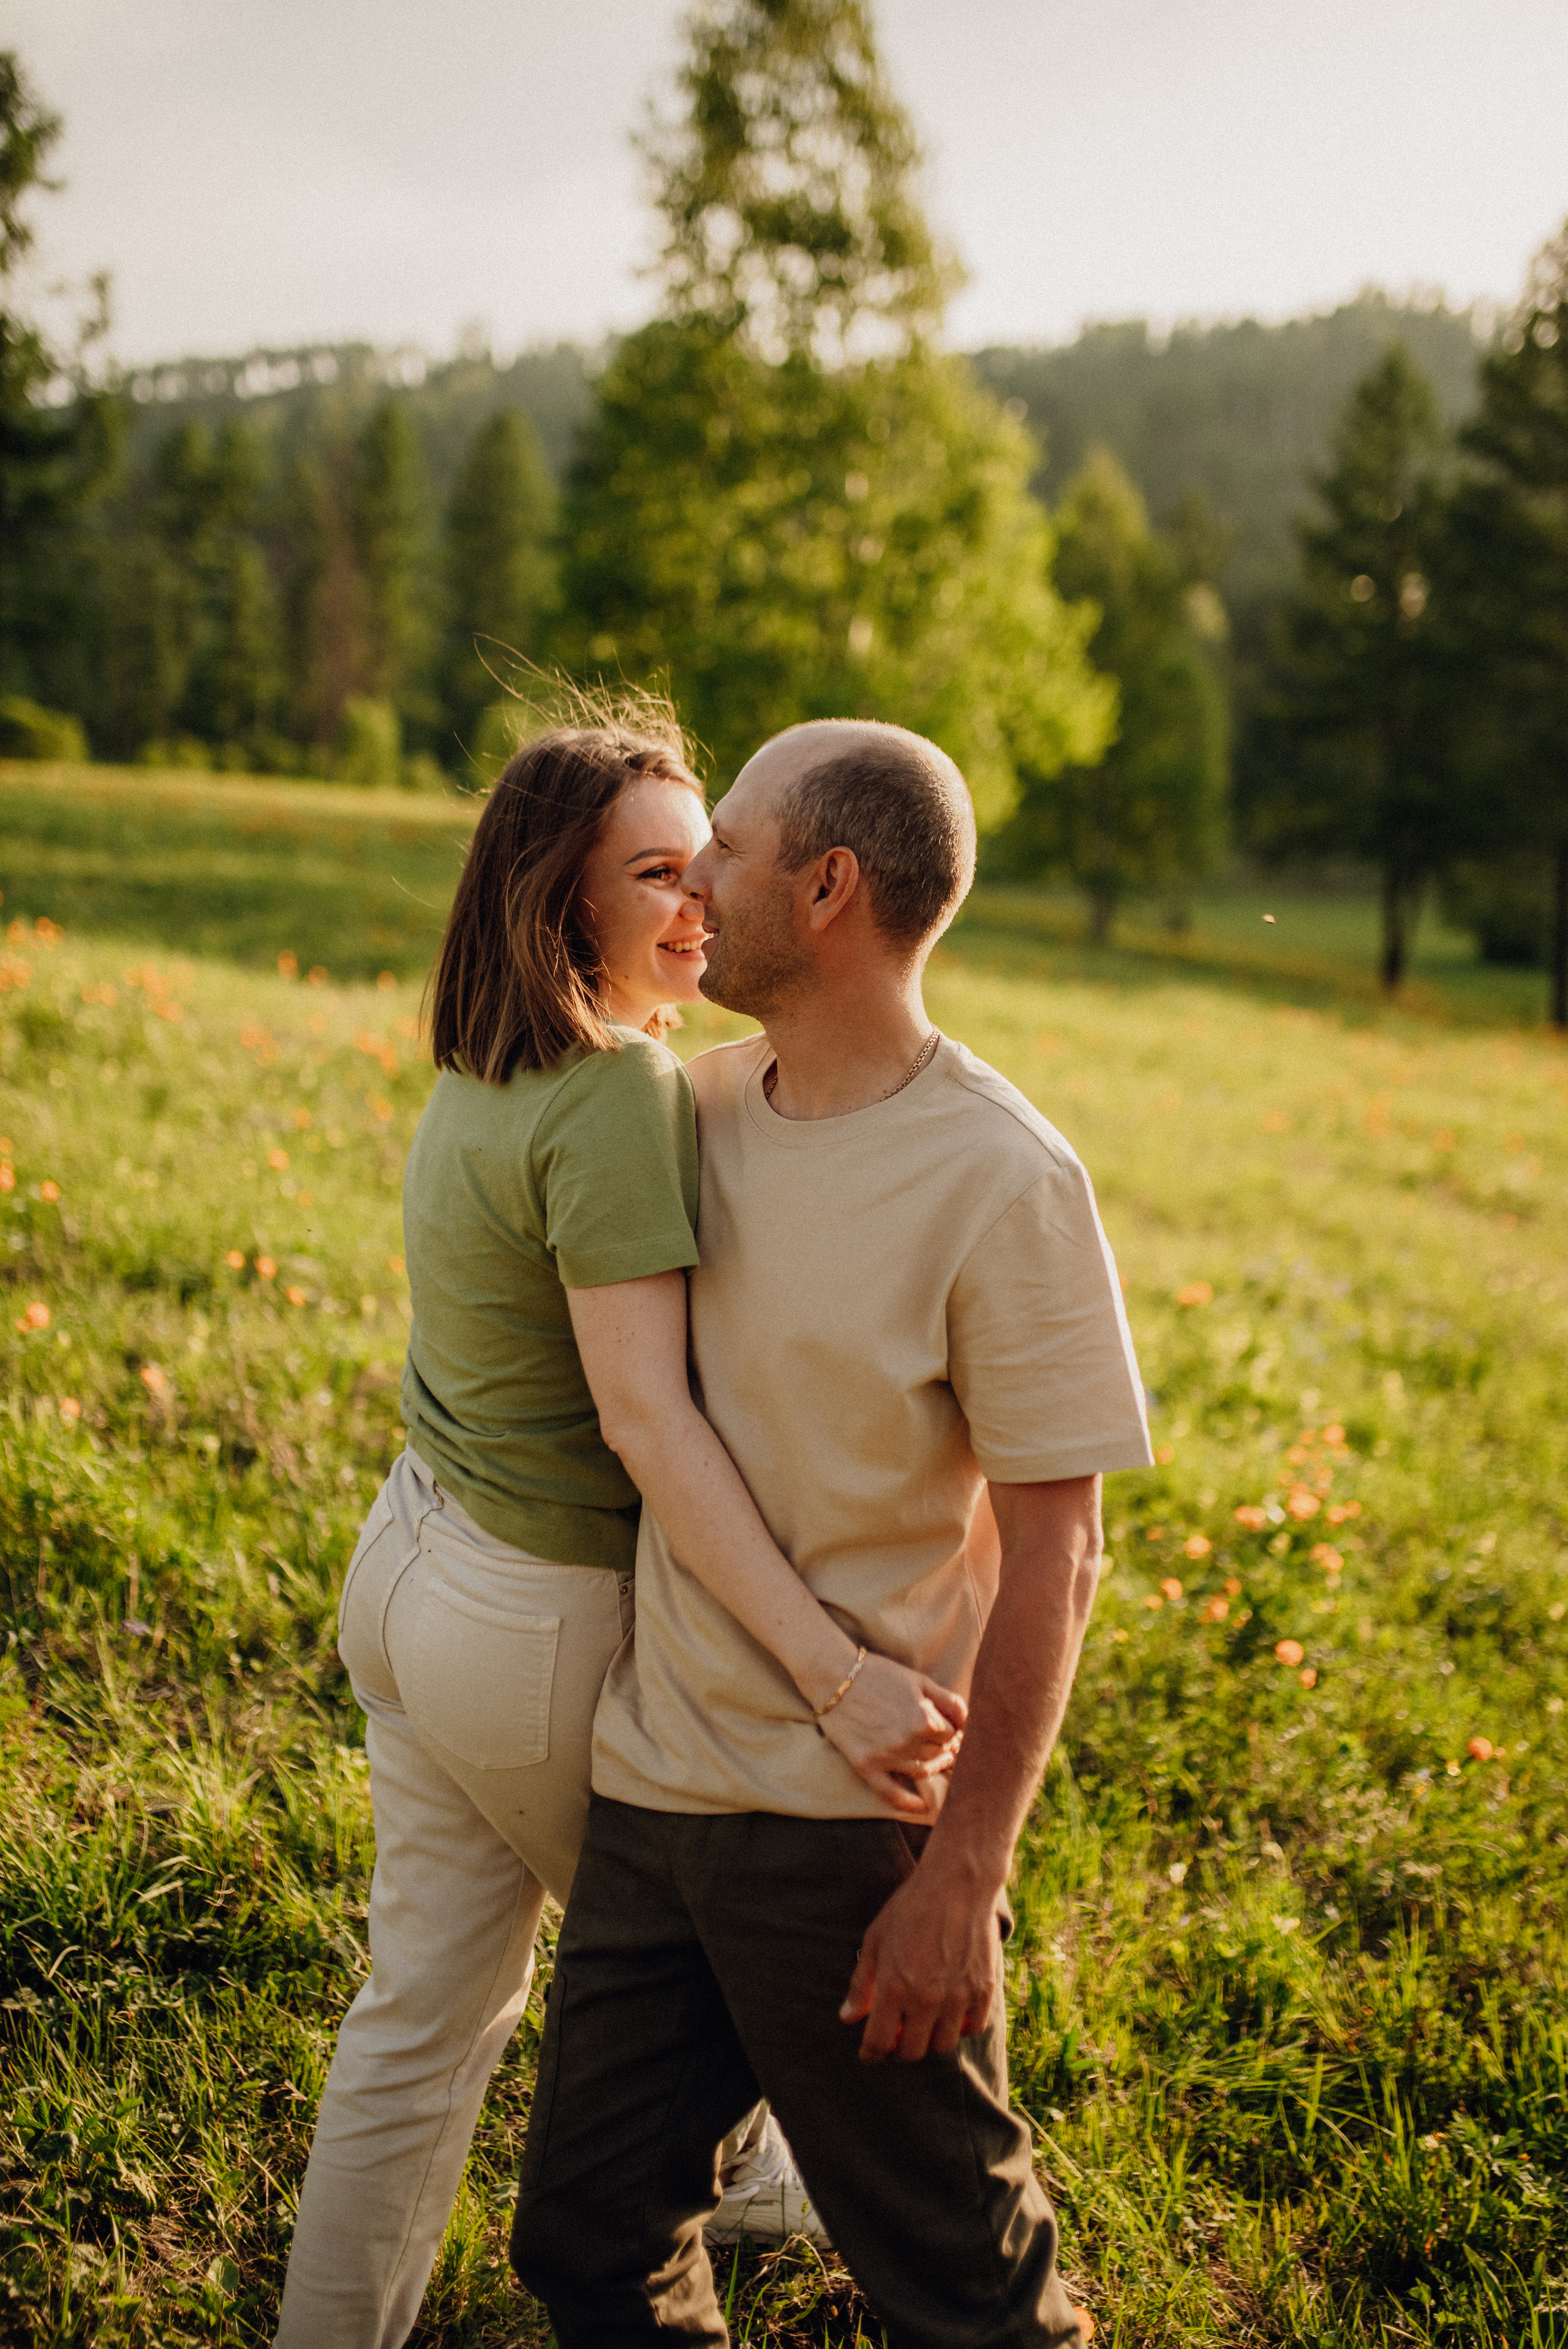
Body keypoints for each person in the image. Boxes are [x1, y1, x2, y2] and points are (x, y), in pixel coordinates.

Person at [274, 705, 965, 2349]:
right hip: (531, 1617)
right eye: (657, 871)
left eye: (706, 861)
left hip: (410, 1568)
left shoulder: (489, 1068)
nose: (700, 902)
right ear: (556, 901)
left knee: (421, 2020)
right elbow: (647, 1417)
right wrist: (825, 1667)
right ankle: (844, 2213)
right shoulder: (615, 1093)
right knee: (721, 1967)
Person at [510, 719, 1154, 2349]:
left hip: (845, 1840)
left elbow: (1056, 1554)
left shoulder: (1004, 1178)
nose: (696, 881)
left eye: (724, 844)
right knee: (588, 2241)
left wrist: (966, 1873)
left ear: (832, 883)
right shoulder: (687, 1112)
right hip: (655, 1791)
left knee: (969, 2298)